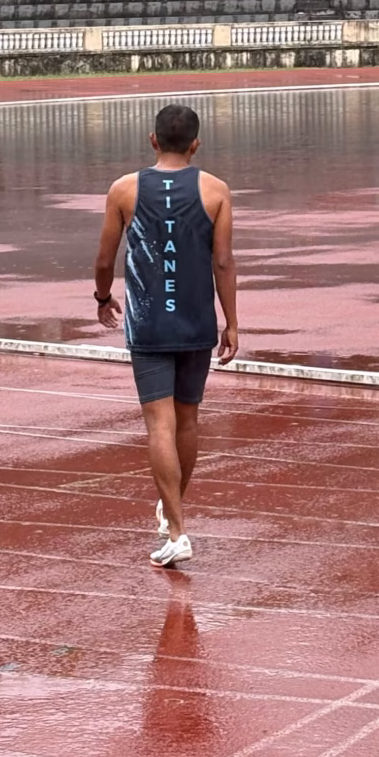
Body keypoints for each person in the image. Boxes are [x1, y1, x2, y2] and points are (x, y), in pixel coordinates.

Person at [94, 104, 238, 567]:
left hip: (150, 323)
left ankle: (176, 528)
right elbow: (223, 262)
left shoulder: (125, 189)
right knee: (188, 421)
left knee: (159, 424)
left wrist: (102, 297)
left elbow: (104, 258)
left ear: (152, 140)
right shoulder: (216, 191)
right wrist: (231, 321)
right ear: (196, 144)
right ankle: (173, 507)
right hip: (196, 322)